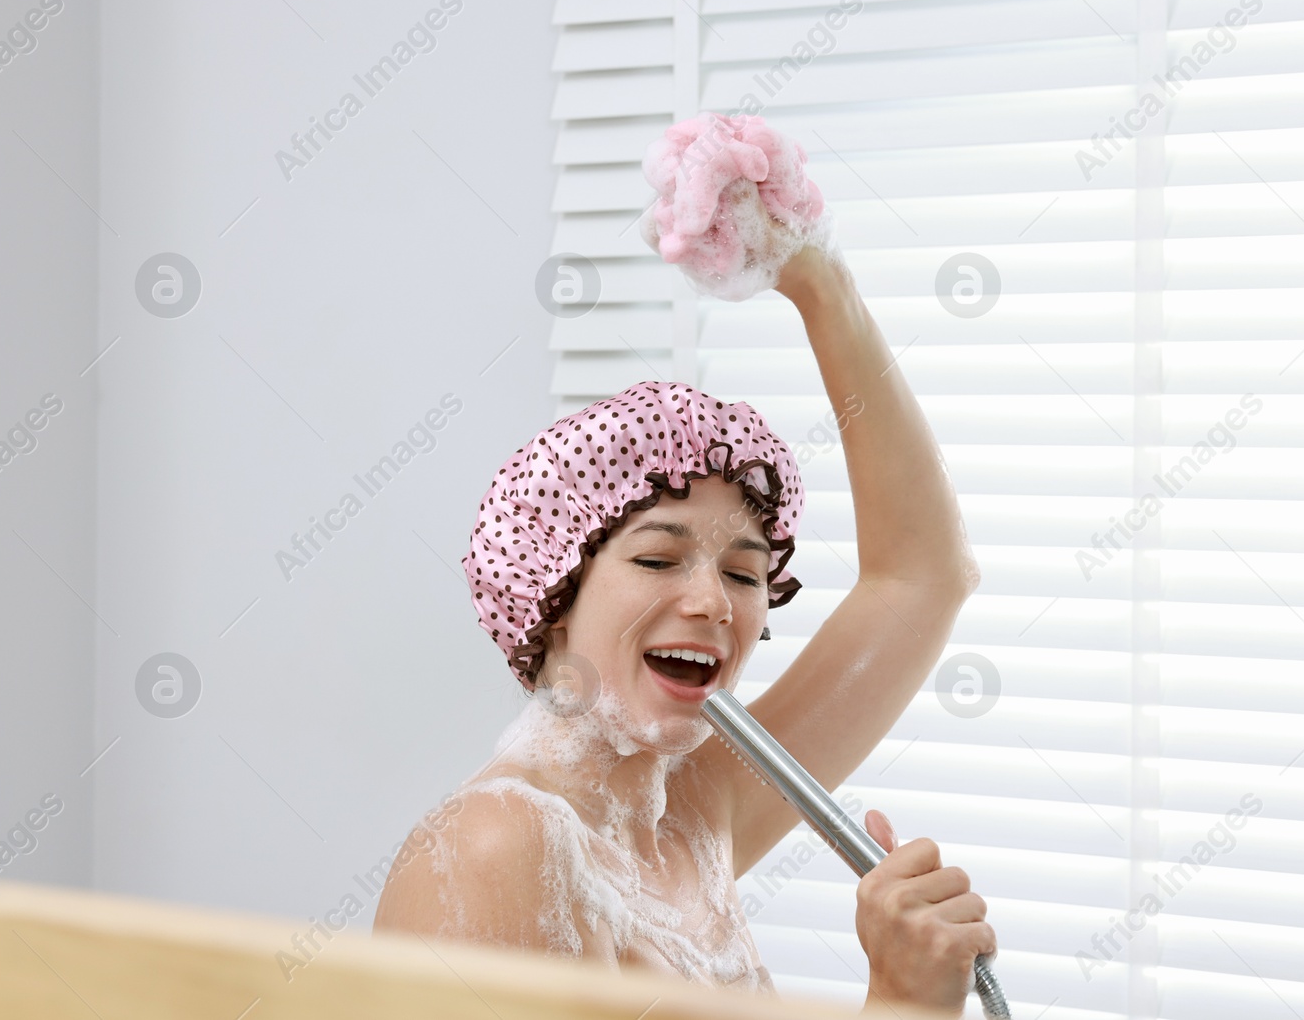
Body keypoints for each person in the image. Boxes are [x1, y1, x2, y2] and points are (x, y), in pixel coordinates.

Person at [373, 238, 995, 1017]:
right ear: (554, 593)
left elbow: (925, 577)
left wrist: (816, 278)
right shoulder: (498, 847)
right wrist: (902, 1001)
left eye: (743, 573)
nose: (715, 602)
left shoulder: (693, 816)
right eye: (660, 559)